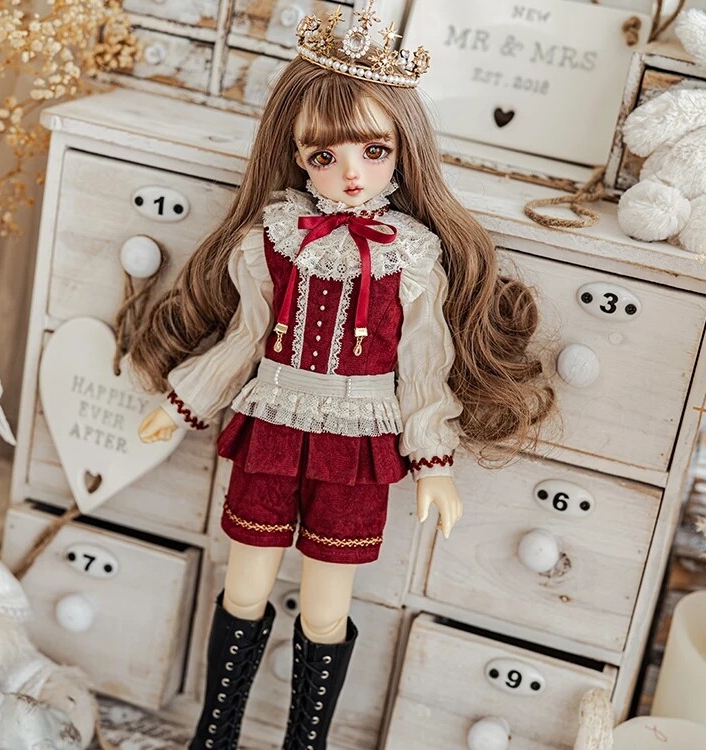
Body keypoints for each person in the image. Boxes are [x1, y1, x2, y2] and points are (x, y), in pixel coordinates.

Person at [130, 5, 555, 748]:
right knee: (244, 586)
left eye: (373, 150)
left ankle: (307, 742)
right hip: (271, 426)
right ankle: (215, 733)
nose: (351, 173)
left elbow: (424, 365)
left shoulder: (411, 255)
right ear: (297, 156)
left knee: (326, 608)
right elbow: (245, 338)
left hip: (358, 445)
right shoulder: (273, 238)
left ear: (403, 152)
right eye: (324, 155)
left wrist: (433, 463)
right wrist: (183, 401)